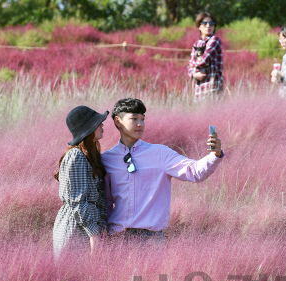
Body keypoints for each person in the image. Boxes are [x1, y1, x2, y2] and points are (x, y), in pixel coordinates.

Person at [101, 98, 224, 243]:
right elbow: (106, 203)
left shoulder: (160, 153)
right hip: (117, 239)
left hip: (151, 241)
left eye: (142, 119)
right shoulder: (107, 159)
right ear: (117, 121)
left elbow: (194, 171)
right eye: (134, 119)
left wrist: (214, 155)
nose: (140, 124)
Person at [53, 105, 109, 258]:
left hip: (85, 228)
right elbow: (78, 202)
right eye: (98, 122)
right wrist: (93, 235)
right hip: (77, 231)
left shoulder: (89, 156)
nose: (102, 125)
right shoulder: (76, 156)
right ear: (88, 128)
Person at [187, 12, 224, 100]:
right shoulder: (196, 44)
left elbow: (204, 60)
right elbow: (189, 67)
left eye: (211, 24)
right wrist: (194, 75)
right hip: (199, 90)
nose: (208, 26)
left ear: (214, 27)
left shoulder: (215, 40)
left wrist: (193, 68)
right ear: (199, 27)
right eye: (204, 23)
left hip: (212, 88)